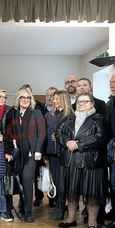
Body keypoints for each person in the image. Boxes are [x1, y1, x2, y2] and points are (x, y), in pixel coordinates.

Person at [55, 92, 106, 228]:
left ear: (92, 104)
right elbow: (59, 132)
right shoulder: (68, 118)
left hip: (91, 162)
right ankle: (71, 218)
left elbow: (100, 137)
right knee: (71, 192)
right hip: (71, 161)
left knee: (92, 194)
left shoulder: (98, 119)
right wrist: (67, 141)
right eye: (79, 102)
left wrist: (79, 144)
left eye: (85, 101)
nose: (81, 104)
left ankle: (92, 222)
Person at [7, 88, 46, 223]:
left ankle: (29, 213)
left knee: (27, 180)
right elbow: (10, 130)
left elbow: (41, 133)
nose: (25, 100)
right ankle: (22, 208)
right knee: (20, 182)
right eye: (23, 97)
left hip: (31, 154)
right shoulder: (15, 114)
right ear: (18, 99)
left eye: (28, 98)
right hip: (17, 154)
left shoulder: (36, 113)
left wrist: (38, 150)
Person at [44, 90, 73, 220]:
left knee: (63, 182)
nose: (54, 101)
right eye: (54, 99)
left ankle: (60, 207)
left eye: (57, 99)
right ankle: (58, 204)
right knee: (56, 180)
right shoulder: (48, 116)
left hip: (66, 153)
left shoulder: (71, 116)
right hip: (52, 153)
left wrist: (60, 138)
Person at [102, 73, 115, 228]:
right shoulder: (110, 102)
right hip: (111, 149)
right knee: (113, 184)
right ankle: (113, 211)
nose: (112, 85)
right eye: (111, 82)